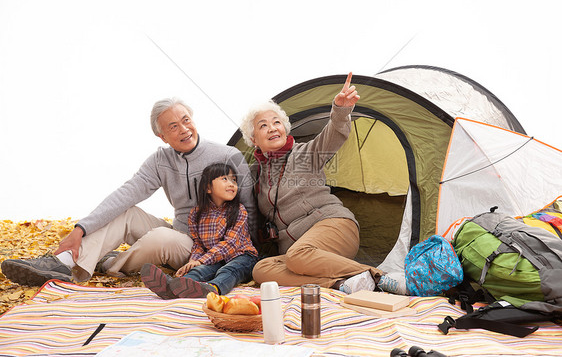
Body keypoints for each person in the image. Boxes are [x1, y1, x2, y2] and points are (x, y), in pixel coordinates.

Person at [1, 98, 257, 286]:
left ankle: (110, 263)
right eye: (173, 126)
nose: (184, 129)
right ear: (162, 136)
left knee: (160, 238)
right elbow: (126, 194)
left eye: (186, 120)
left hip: (205, 248)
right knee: (127, 211)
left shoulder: (226, 155)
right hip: (180, 231)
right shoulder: (160, 160)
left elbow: (249, 209)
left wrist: (249, 255)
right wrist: (80, 229)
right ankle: (64, 263)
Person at [238, 72, 406, 295]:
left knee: (297, 255)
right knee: (261, 270)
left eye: (276, 122)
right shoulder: (255, 174)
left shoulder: (305, 154)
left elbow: (333, 135)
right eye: (263, 125)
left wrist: (341, 110)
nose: (272, 128)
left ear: (285, 129)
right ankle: (340, 285)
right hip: (300, 255)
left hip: (335, 227)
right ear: (252, 139)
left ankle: (380, 277)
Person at [141, 162, 258, 299]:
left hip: (242, 256)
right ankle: (173, 287)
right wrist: (193, 262)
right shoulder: (196, 214)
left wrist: (202, 260)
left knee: (228, 270)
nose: (232, 184)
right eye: (225, 179)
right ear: (208, 188)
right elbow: (198, 244)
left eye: (234, 180)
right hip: (213, 259)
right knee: (200, 270)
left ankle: (212, 289)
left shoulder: (239, 210)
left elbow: (230, 243)